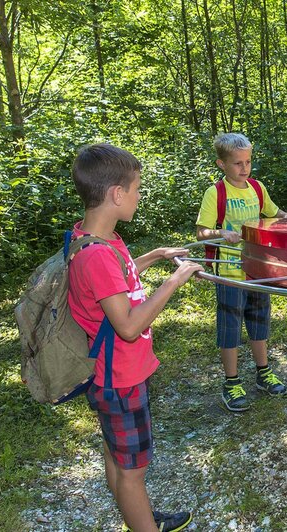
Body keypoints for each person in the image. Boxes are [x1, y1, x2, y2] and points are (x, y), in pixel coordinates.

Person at [67, 143, 203, 531]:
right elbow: (127, 325)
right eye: (137, 188)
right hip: (120, 379)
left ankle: (135, 514)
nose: (140, 195)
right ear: (116, 194)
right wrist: (174, 281)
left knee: (117, 454)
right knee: (133, 471)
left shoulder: (95, 239)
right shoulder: (97, 254)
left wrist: (154, 256)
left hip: (110, 375)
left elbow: (116, 278)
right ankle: (142, 520)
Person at [196, 132, 287, 412]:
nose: (244, 168)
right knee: (230, 328)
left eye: (248, 161)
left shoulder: (258, 188)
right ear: (222, 164)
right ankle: (231, 382)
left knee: (259, 321)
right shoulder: (216, 193)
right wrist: (220, 232)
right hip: (229, 272)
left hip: (257, 270)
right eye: (238, 163)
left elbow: (274, 214)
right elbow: (202, 232)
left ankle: (263, 373)